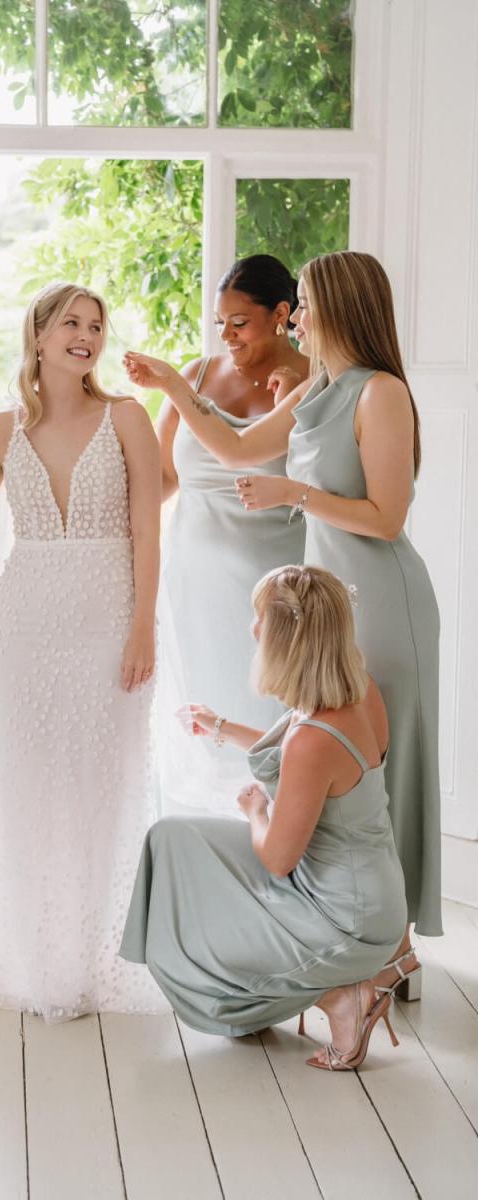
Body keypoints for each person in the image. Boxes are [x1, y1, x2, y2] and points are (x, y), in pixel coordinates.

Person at [124, 250, 441, 971]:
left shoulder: (381, 392)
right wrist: (174, 382)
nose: (295, 315)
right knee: (338, 756)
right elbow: (235, 447)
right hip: (334, 601)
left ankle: (398, 943)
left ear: (339, 306)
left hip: (384, 601)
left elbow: (388, 518)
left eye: (304, 302)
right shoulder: (321, 387)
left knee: (388, 766)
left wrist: (294, 496)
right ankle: (355, 927)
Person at [0, 282, 167, 1025]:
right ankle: (32, 960)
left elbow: (148, 531)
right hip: (26, 626)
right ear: (38, 335)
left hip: (109, 620)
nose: (86, 335)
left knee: (103, 789)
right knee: (28, 789)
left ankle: (97, 960)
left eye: (96, 325)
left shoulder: (129, 419)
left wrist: (144, 627)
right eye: (70, 323)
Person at [121, 565, 409, 1072]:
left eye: (259, 618)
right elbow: (310, 772)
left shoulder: (314, 738)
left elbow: (276, 857)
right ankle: (326, 987)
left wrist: (255, 810)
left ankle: (341, 995)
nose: (252, 628)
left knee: (208, 918)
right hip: (362, 889)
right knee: (173, 839)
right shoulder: (360, 689)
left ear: (285, 636)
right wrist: (220, 728)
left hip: (346, 919)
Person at [157, 255, 308, 813]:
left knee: (271, 721)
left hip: (278, 595)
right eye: (219, 322)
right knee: (195, 726)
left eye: (238, 322)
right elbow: (159, 479)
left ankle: (274, 846)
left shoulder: (315, 381)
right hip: (191, 585)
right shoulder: (195, 376)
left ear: (281, 314)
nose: (225, 335)